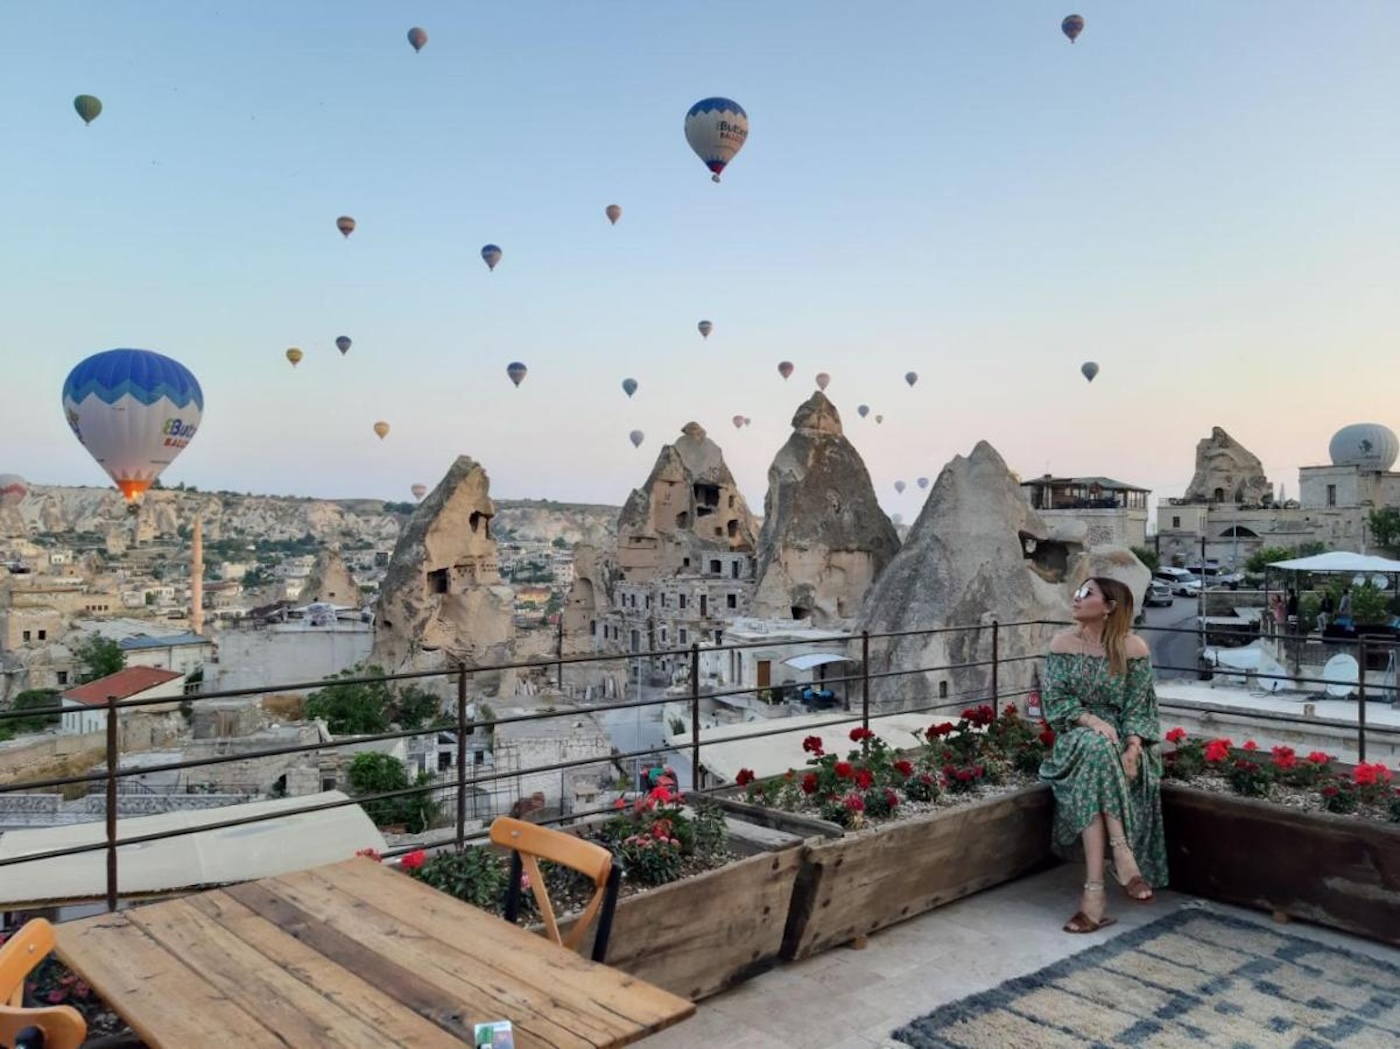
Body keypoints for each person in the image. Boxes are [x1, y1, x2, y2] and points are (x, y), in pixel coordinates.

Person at [1040, 576, 1167, 934]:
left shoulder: (1134, 648)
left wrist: (1132, 747)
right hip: (1075, 733)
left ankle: (1093, 898)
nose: (1076, 598)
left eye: (1087, 593)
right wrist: (1092, 720)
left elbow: (1140, 708)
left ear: (1110, 607)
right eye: (1078, 592)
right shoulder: (1062, 644)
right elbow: (1056, 701)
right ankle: (1123, 854)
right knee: (1095, 745)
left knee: (1099, 759)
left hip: (1123, 741)